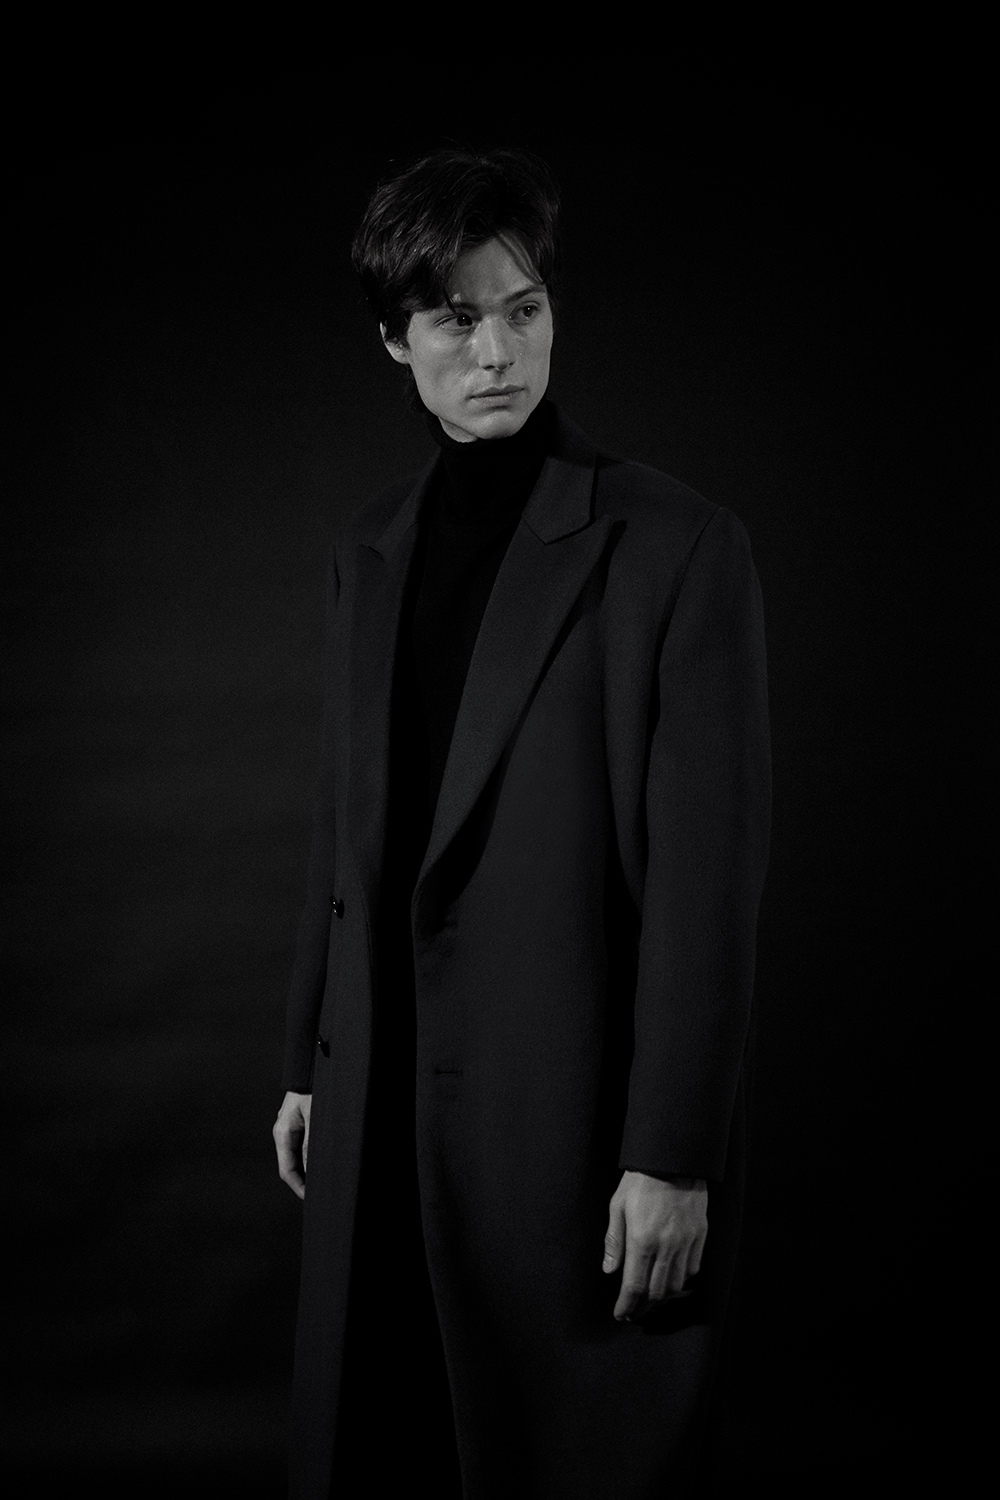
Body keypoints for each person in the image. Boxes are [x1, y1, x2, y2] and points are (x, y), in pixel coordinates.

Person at [273, 146, 770, 1499]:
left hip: (564, 1107)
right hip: (380, 1088)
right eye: (456, 320)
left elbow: (708, 883)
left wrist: (672, 1152)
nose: (497, 352)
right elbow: (346, 819)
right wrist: (311, 1054)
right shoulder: (367, 549)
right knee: (385, 1442)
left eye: (524, 310)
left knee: (561, 1458)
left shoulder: (676, 545)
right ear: (396, 342)